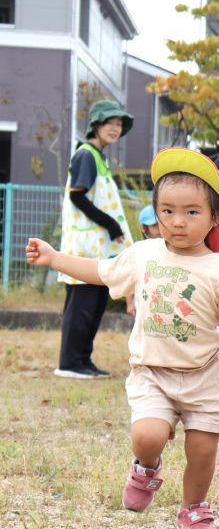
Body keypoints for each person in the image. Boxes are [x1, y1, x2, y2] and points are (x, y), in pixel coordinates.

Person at [26, 148, 219, 529]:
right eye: (167, 211)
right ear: (156, 213)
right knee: (147, 436)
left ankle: (193, 509)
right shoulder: (144, 255)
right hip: (153, 373)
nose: (177, 222)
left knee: (203, 450)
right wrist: (55, 258)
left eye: (192, 212)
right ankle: (146, 466)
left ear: (214, 218)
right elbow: (100, 272)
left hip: (205, 377)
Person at [55, 99, 135, 379]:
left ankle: (82, 360)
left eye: (119, 124)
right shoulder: (86, 154)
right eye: (110, 122)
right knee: (83, 305)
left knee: (94, 304)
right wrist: (110, 223)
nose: (115, 128)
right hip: (86, 247)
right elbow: (77, 195)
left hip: (98, 248)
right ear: (96, 125)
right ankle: (69, 363)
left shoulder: (98, 157)